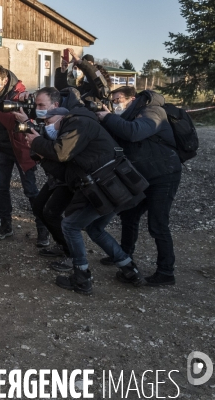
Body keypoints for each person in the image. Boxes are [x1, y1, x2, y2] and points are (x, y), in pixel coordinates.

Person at [27, 106, 146, 295]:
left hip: (109, 187)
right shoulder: (74, 130)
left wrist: (38, 142)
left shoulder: (78, 123)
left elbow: (61, 153)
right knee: (95, 229)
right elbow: (68, 174)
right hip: (110, 187)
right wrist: (43, 158)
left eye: (49, 122)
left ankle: (82, 277)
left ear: (62, 117)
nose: (47, 126)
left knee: (70, 226)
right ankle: (129, 269)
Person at [97, 87, 182, 286]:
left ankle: (166, 272)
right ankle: (124, 256)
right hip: (144, 175)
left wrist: (108, 118)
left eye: (118, 99)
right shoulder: (129, 115)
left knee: (158, 223)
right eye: (113, 100)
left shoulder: (152, 112)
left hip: (164, 174)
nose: (115, 103)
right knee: (129, 215)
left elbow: (134, 133)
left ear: (132, 99)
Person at [0, 65, 49, 246]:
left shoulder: (20, 96)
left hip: (22, 150)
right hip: (1, 149)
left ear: (5, 80)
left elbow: (12, 122)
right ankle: (5, 225)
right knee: (1, 188)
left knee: (30, 191)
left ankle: (43, 230)